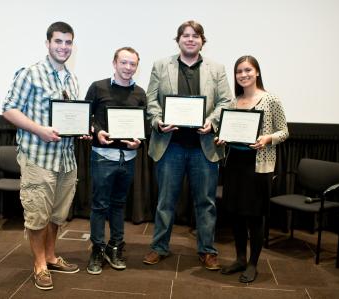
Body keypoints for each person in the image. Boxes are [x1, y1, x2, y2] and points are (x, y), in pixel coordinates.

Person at [2, 21, 88, 290]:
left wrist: (82, 130)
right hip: (38, 156)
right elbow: (8, 110)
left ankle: (51, 256)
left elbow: (71, 118)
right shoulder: (31, 74)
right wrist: (39, 130)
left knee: (57, 214)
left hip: (66, 159)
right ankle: (39, 263)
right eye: (58, 41)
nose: (63, 47)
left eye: (68, 42)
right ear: (48, 43)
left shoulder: (72, 79)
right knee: (38, 214)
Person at [144, 20, 232, 270]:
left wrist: (212, 122)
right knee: (165, 201)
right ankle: (159, 247)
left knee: (206, 202)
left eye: (195, 35)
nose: (190, 39)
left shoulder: (217, 68)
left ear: (202, 40)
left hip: (203, 147)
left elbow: (226, 101)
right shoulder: (161, 66)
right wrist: (159, 121)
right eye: (185, 35)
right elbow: (151, 101)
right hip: (169, 145)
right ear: (178, 39)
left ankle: (207, 250)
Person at [215, 55, 289, 283]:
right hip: (235, 164)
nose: (243, 75)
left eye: (248, 70)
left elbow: (284, 131)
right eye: (239, 71)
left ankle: (253, 264)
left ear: (257, 72)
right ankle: (239, 259)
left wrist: (267, 139)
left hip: (258, 167)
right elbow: (225, 131)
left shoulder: (270, 99)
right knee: (236, 214)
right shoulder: (233, 102)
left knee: (254, 217)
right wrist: (221, 138)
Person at [85, 47, 146, 275]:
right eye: (124, 63)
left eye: (133, 64)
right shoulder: (98, 87)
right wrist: (96, 132)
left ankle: (115, 247)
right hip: (103, 156)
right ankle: (97, 250)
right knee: (100, 205)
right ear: (114, 63)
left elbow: (142, 127)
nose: (128, 68)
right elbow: (87, 117)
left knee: (119, 206)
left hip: (128, 158)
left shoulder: (140, 93)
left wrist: (138, 141)